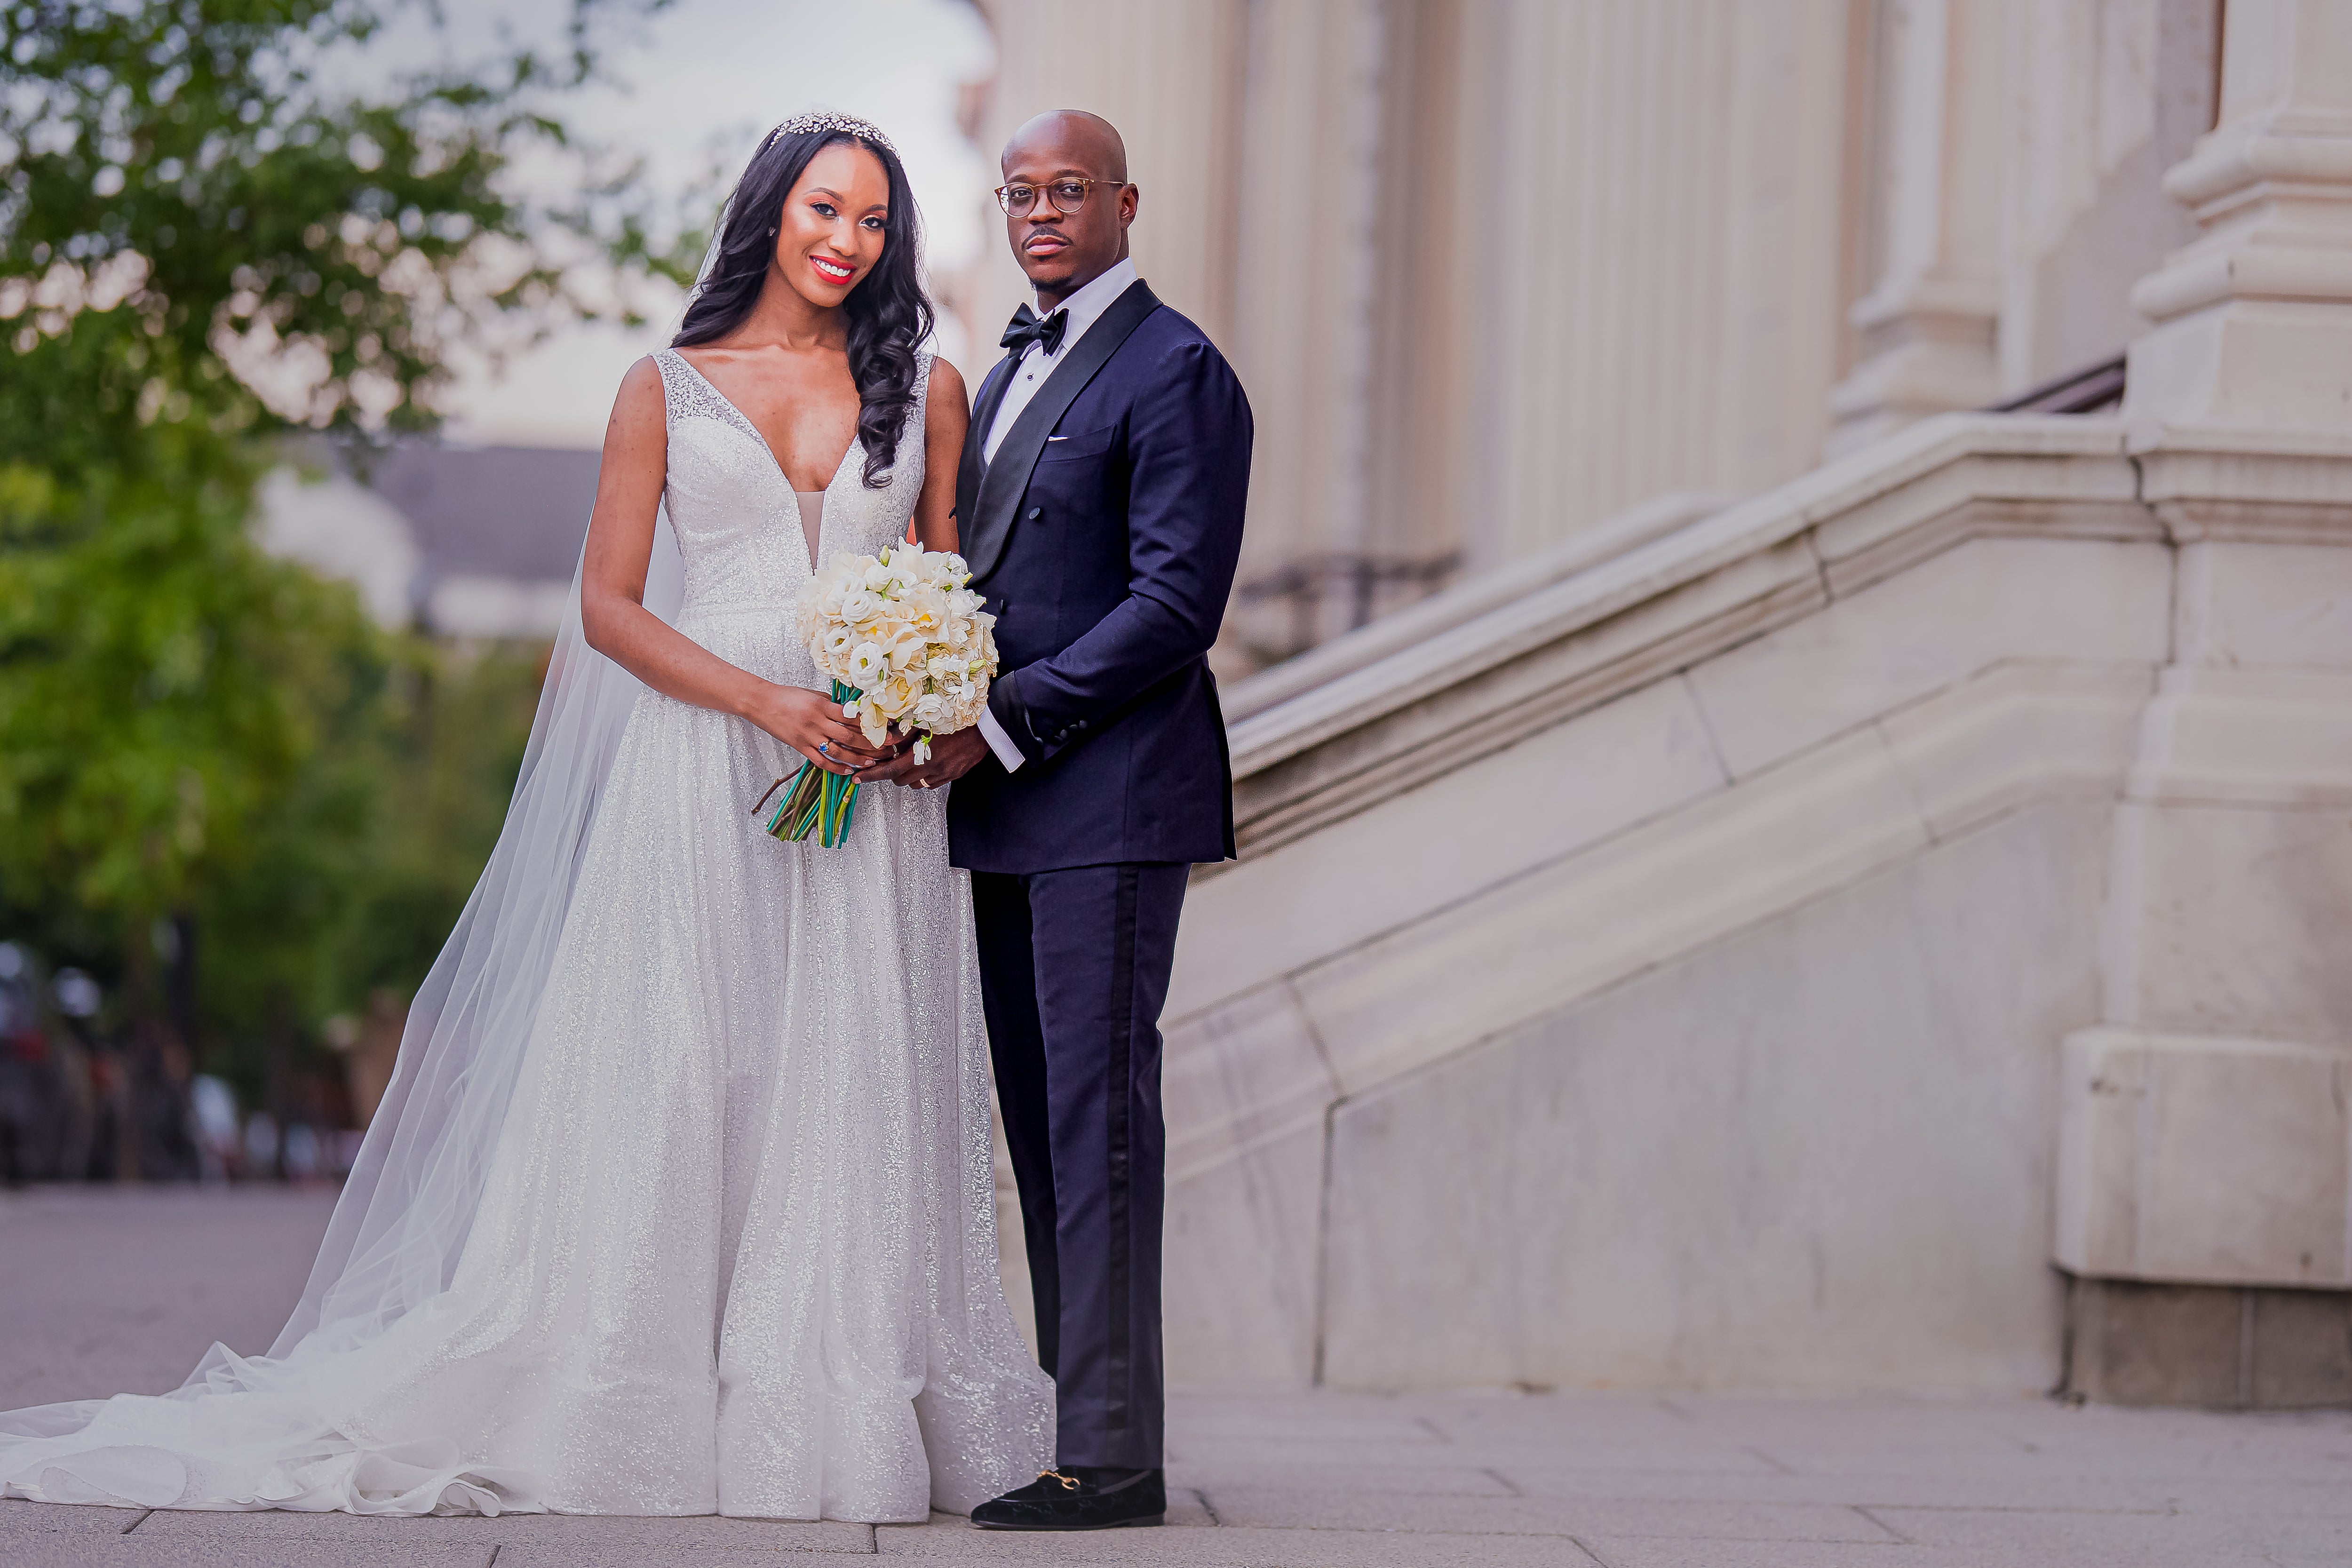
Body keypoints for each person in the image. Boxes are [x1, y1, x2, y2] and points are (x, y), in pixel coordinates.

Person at [0, 114, 1052, 1523]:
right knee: (689, 1071)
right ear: (770, 213)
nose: (847, 241)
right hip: (700, 770)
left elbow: (941, 575)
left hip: (872, 783)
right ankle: (640, 1390)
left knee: (848, 1080)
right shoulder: (663, 390)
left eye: (873, 221)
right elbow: (610, 609)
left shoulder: (923, 387)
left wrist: (923, 703)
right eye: (823, 209)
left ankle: (826, 1408)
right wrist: (763, 702)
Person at [859, 109, 1253, 1531]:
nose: (1040, 211)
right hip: (1004, 814)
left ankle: (1117, 1459)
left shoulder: (1178, 368)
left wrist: (1001, 720)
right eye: (1020, 191)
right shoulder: (1012, 362)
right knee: (1039, 1129)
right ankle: (1073, 1423)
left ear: (1126, 202)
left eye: (1067, 189)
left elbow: (1173, 607)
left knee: (1100, 1131)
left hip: (1111, 803)